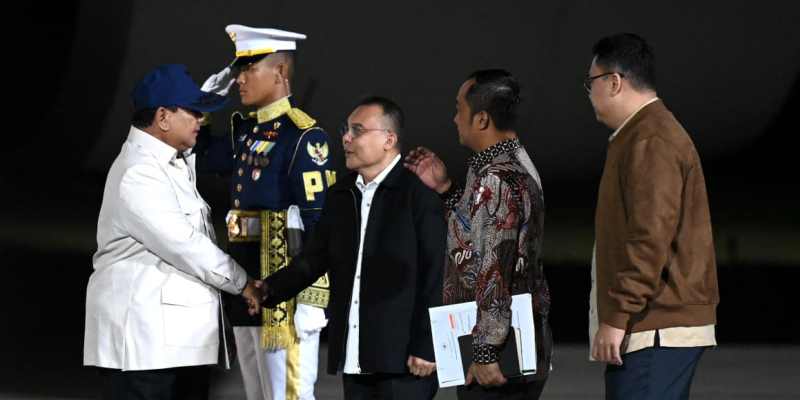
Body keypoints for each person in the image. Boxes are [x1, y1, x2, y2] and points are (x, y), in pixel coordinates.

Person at [83, 64, 262, 400]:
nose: (201, 120)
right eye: (193, 113)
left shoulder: (171, 160)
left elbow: (196, 142)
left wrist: (228, 79)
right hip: (146, 348)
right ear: (163, 118)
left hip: (173, 343)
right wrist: (243, 283)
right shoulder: (139, 173)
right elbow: (186, 245)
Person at [258, 96, 444, 400]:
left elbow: (438, 276)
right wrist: (268, 290)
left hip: (405, 366)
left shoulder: (419, 199)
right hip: (355, 360)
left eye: (357, 130)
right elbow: (313, 260)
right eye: (346, 129)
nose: (345, 137)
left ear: (389, 139)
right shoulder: (340, 196)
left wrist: (428, 346)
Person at [194, 25, 335, 400]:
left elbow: (320, 226)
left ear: (280, 73)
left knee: (287, 396)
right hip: (245, 284)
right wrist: (205, 104)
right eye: (238, 69)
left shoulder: (303, 136)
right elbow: (204, 155)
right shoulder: (246, 132)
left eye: (248, 69)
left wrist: (306, 296)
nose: (239, 79)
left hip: (283, 296)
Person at [584, 33, 719, 400]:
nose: (589, 93)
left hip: (654, 328)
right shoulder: (641, 134)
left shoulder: (652, 139)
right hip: (651, 325)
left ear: (614, 82)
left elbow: (649, 239)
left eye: (590, 82)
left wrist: (617, 317)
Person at [404, 69, 552, 399]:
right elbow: (486, 233)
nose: (455, 118)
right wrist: (446, 190)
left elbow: (494, 267)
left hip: (497, 357)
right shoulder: (514, 161)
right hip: (521, 341)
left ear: (482, 119)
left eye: (459, 109)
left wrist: (485, 352)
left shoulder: (495, 177)